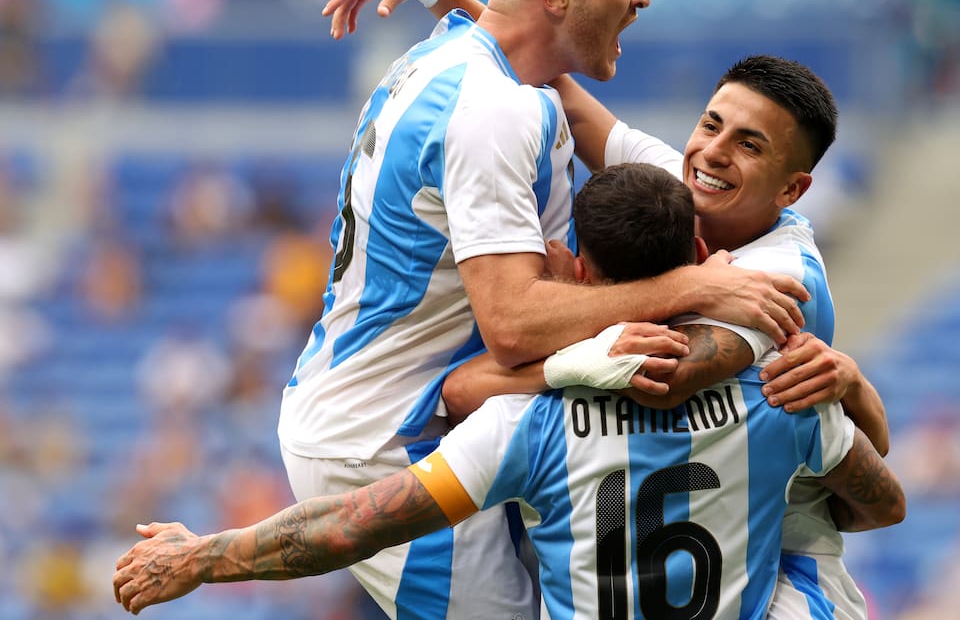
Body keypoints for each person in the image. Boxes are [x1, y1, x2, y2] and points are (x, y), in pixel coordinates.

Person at [280, 0, 816, 620]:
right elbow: (513, 324)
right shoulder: (496, 112)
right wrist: (693, 287)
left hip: (412, 411)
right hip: (390, 438)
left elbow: (523, 47)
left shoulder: (456, 61)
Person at [114, 163, 905, 619]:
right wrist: (849, 394)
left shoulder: (527, 424)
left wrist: (205, 557)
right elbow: (882, 505)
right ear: (701, 255)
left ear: (579, 272)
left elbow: (350, 526)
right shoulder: (778, 398)